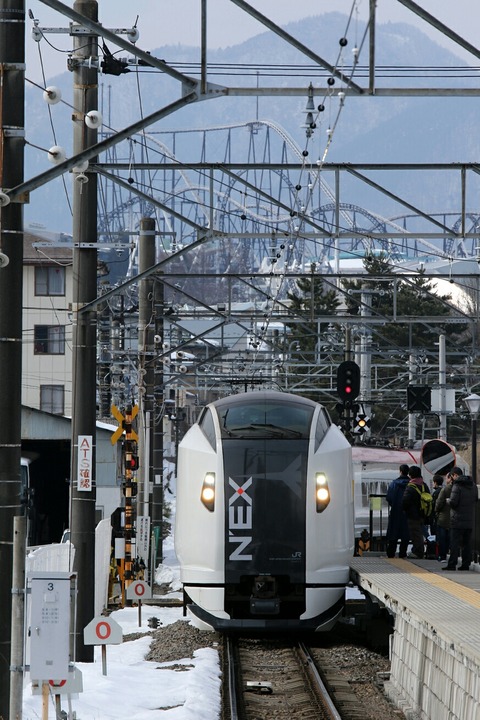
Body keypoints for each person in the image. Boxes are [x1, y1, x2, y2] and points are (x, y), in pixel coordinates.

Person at [442, 466, 478, 571]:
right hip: (469, 519)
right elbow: (475, 499)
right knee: (467, 544)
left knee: (454, 543)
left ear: (455, 475)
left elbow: (453, 502)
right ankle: (466, 564)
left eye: (452, 476)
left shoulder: (457, 486)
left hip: (457, 520)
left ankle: (452, 564)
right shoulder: (473, 486)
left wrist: (447, 500)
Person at [402, 465, 431, 559]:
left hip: (412, 515)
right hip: (423, 513)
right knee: (419, 533)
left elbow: (405, 501)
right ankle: (419, 551)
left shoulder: (410, 487)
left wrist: (404, 509)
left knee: (415, 534)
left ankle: (418, 552)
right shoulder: (424, 485)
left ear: (410, 475)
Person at [385, 464, 410, 558]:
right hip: (407, 512)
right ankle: (403, 553)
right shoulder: (411, 484)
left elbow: (389, 498)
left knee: (393, 533)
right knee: (406, 533)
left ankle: (391, 552)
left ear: (400, 471)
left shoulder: (394, 484)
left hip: (395, 511)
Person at [435, 472, 452, 562]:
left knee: (442, 538)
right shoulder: (461, 489)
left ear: (451, 478)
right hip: (454, 519)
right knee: (450, 538)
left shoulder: (445, 490)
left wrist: (436, 512)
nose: (446, 480)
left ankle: (442, 556)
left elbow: (438, 504)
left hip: (443, 518)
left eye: (447, 478)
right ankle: (451, 555)